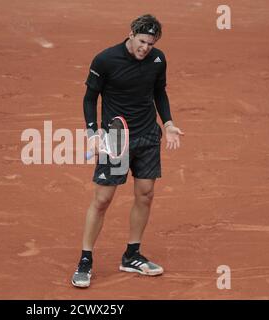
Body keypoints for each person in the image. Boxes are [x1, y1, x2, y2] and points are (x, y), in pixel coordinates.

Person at [72, 14, 185, 288]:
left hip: (147, 135)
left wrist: (168, 123)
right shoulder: (105, 60)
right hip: (116, 138)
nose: (145, 48)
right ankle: (85, 260)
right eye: (142, 41)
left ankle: (131, 255)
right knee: (102, 200)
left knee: (145, 194)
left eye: (150, 43)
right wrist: (93, 131)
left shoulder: (158, 60)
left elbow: (159, 92)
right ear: (131, 34)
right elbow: (90, 98)